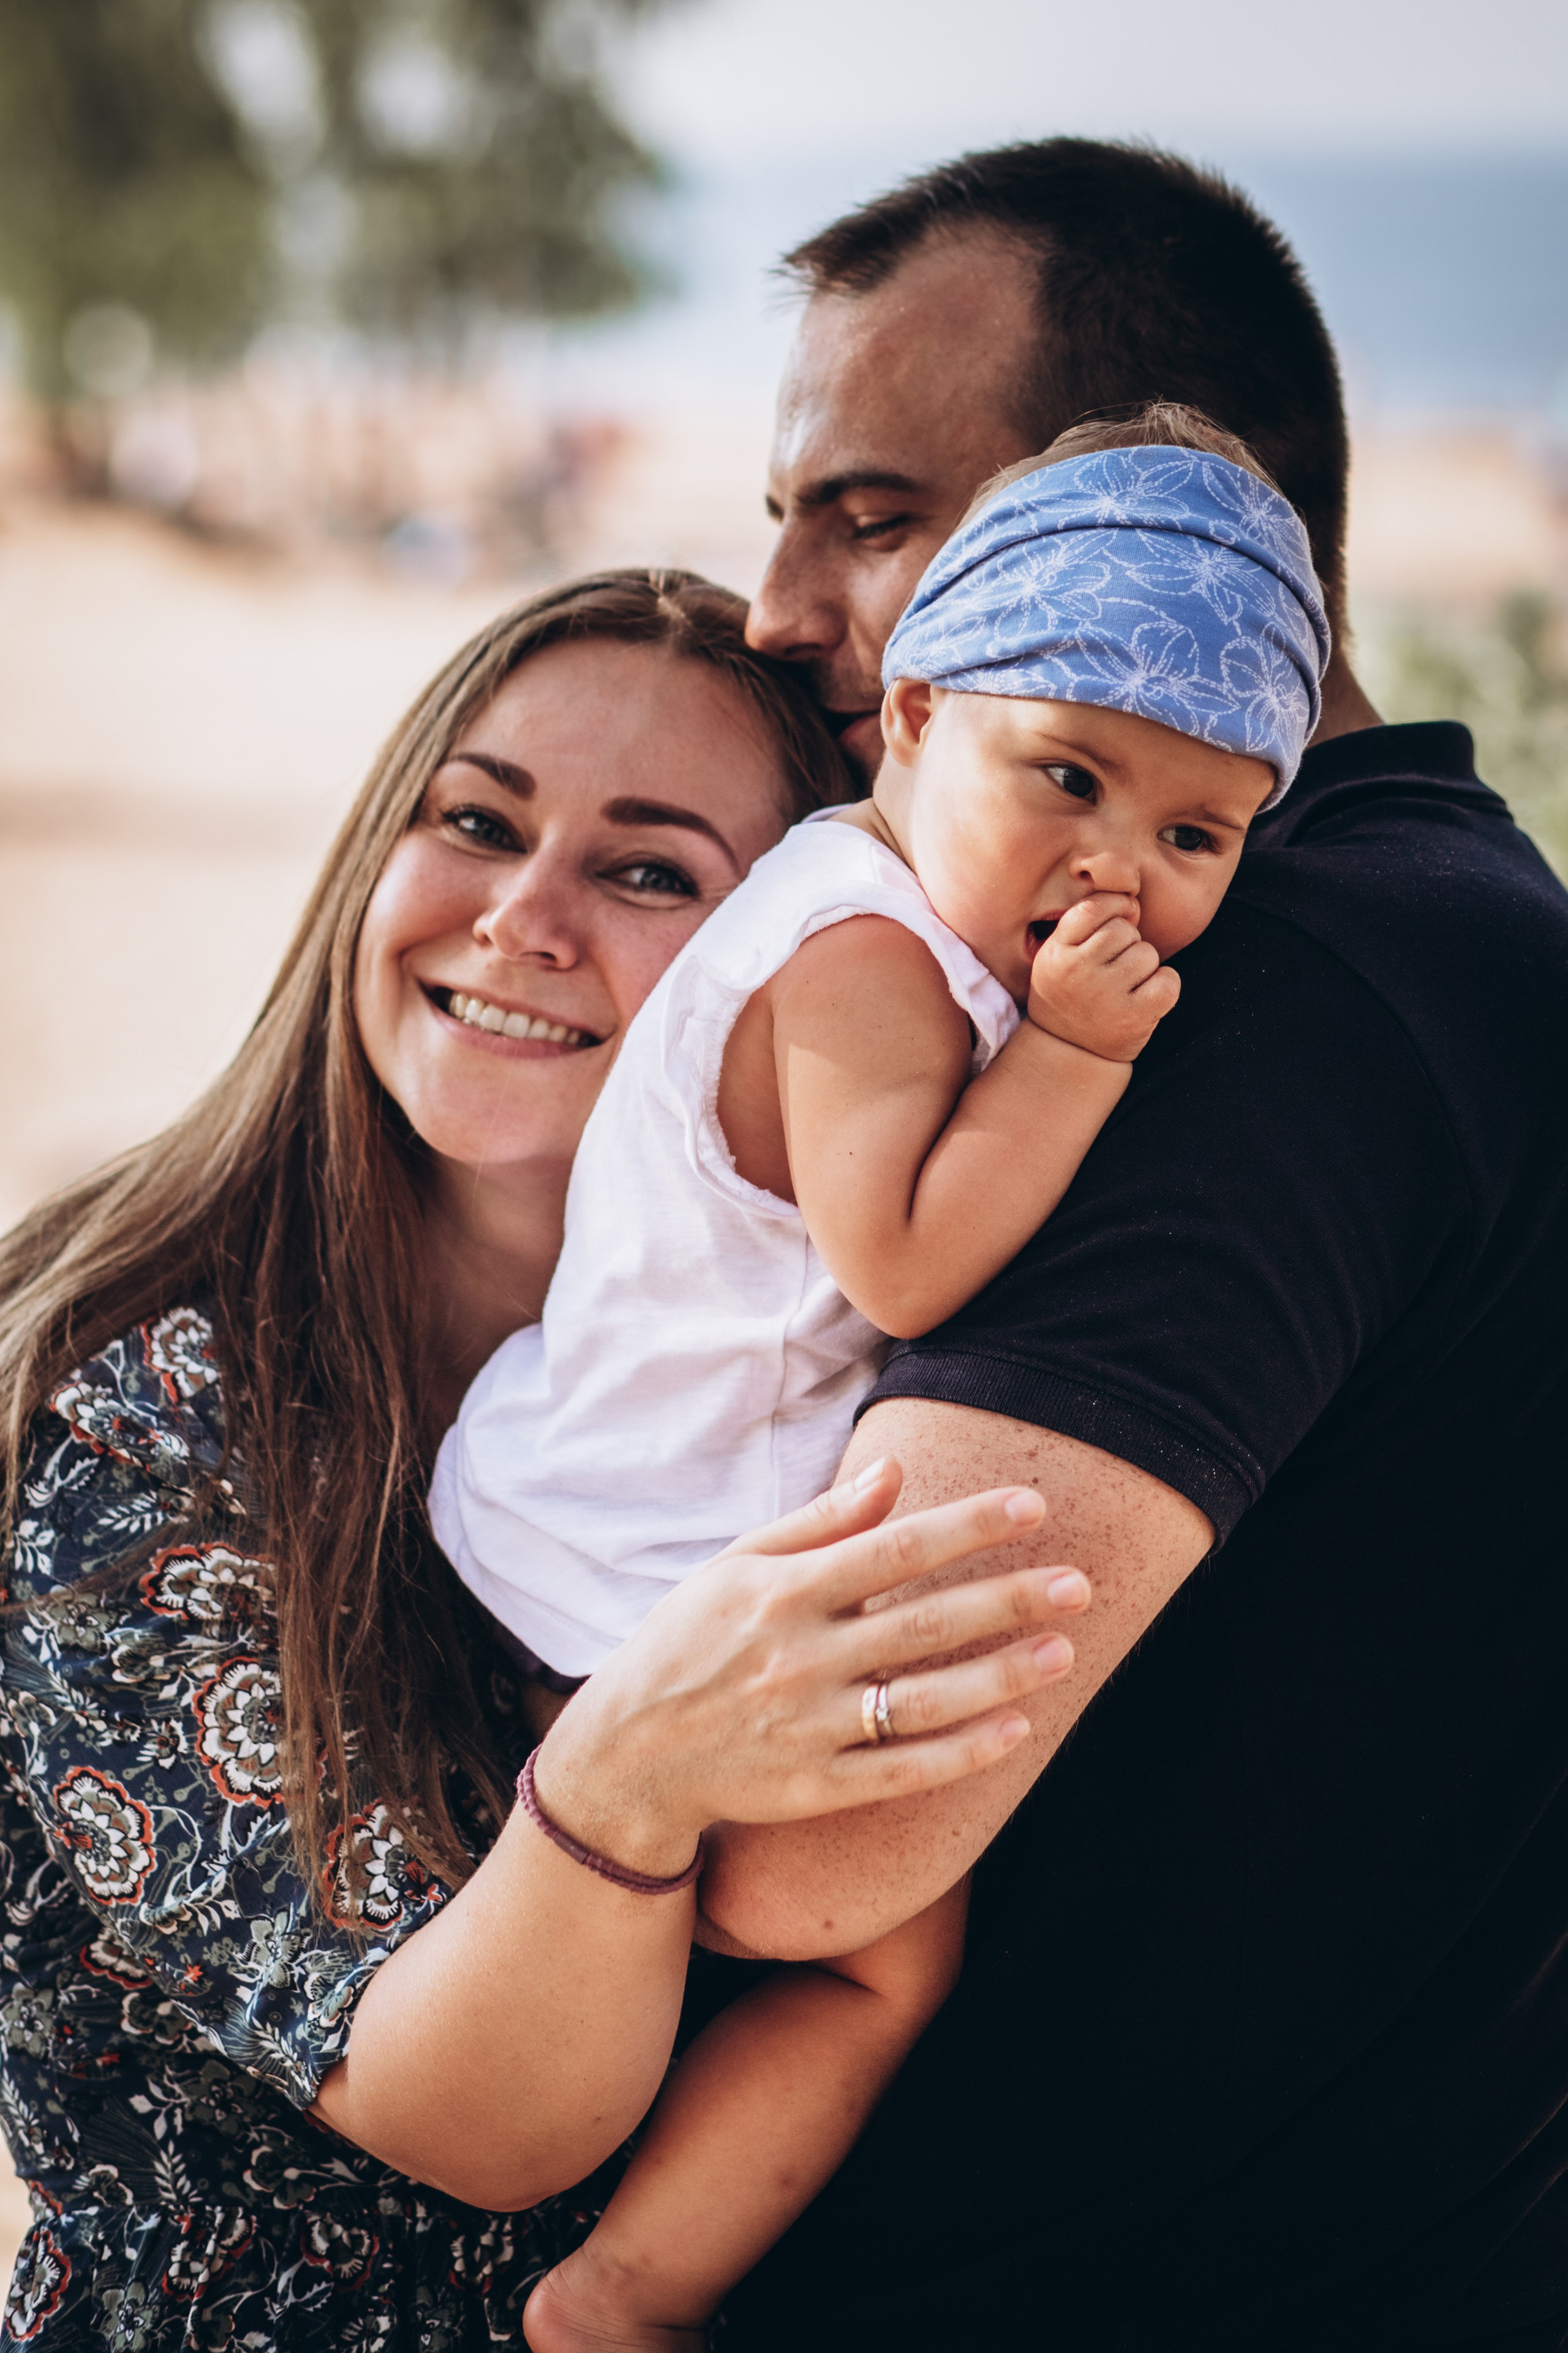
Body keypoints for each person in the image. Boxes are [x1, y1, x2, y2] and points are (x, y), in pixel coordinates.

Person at [0, 572, 1096, 2351]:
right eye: (478, 820)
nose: (522, 914)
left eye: (651, 869)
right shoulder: (143, 1402)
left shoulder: (867, 1385)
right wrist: (641, 1765)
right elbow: (478, 2119)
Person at [699, 140, 1568, 2349]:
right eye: (787, 509)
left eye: (875, 518)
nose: (774, 607)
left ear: (1193, 516)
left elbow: (813, 1837)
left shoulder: (1272, 998)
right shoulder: (1436, 916)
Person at [435, 410, 1328, 2352]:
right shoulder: (863, 960)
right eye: (1069, 777)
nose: (1118, 866)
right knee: (876, 1964)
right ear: (913, 711)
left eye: (1195, 834)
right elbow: (909, 1256)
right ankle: (624, 2302)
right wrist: (1081, 1064)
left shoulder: (915, 900)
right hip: (632, 1549)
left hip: (630, 1493)